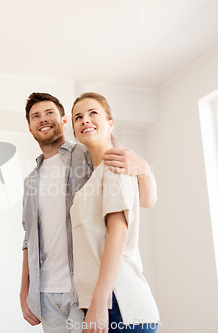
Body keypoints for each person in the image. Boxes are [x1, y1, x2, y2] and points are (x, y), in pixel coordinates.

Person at [20, 92, 157, 333]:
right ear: (29, 127)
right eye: (35, 116)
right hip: (47, 293)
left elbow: (141, 203)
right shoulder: (31, 180)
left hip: (86, 293)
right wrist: (26, 289)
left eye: (50, 112)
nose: (43, 119)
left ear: (63, 121)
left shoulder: (91, 155)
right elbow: (29, 236)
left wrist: (144, 169)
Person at [70, 92, 159, 333]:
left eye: (92, 113)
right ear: (75, 131)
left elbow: (118, 234)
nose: (85, 120)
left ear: (110, 123)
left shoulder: (115, 166)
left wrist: (100, 303)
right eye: (78, 117)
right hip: (104, 304)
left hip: (118, 305)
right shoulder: (95, 177)